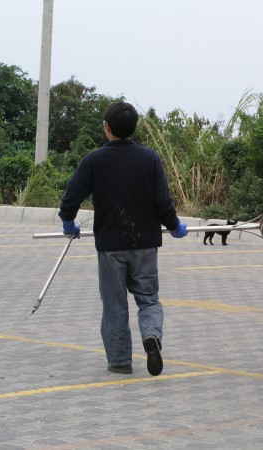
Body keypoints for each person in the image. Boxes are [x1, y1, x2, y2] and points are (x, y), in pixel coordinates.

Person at [58, 101, 187, 376]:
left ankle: (120, 362)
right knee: (149, 299)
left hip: (110, 247)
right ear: (134, 128)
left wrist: (68, 222)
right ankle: (151, 335)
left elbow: (72, 195)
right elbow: (162, 201)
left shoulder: (94, 160)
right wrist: (175, 226)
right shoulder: (150, 158)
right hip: (145, 244)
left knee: (114, 305)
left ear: (107, 127)